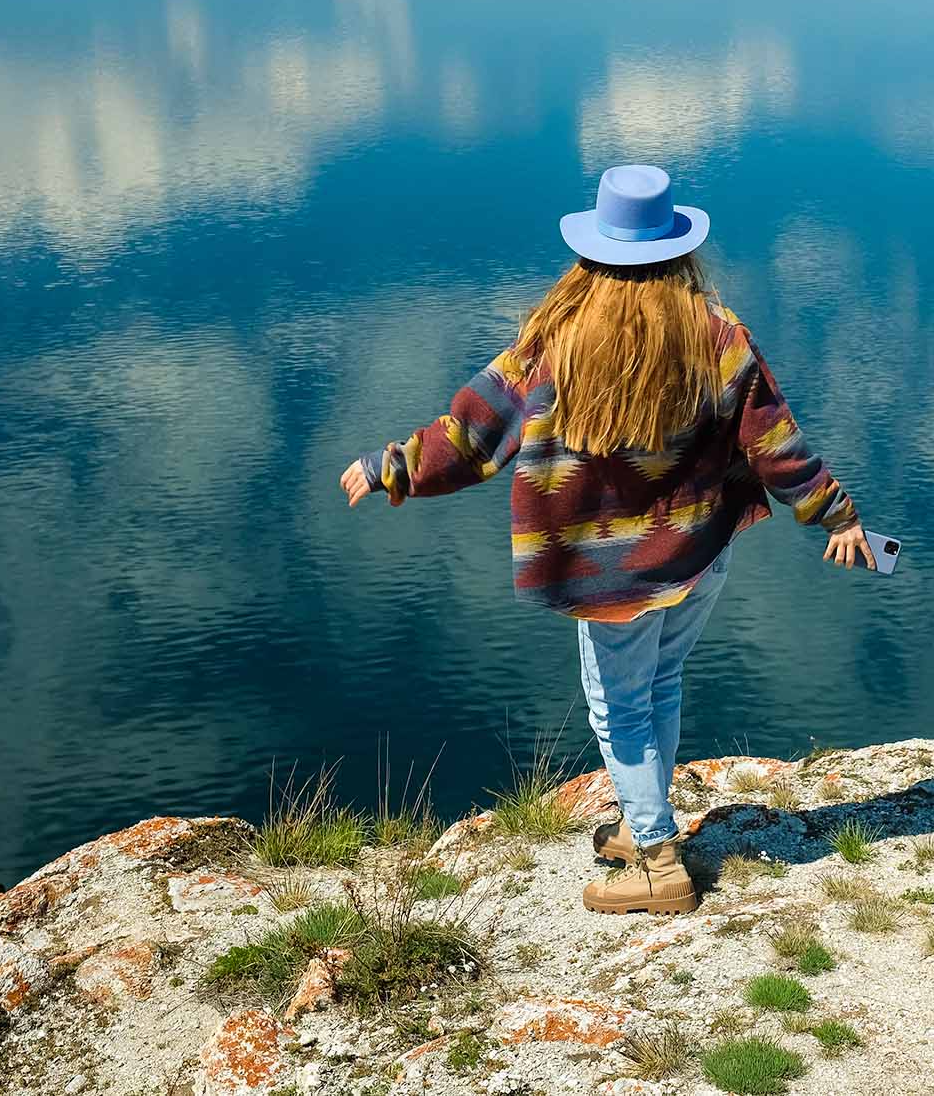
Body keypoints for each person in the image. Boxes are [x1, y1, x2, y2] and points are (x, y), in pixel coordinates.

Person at [340, 164, 871, 916]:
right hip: (696, 556)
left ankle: (656, 861)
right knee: (660, 682)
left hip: (609, 576)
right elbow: (776, 445)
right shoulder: (719, 337)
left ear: (592, 254)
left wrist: (393, 466)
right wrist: (837, 514)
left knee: (617, 706)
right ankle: (637, 818)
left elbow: (472, 435)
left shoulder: (556, 343)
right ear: (679, 252)